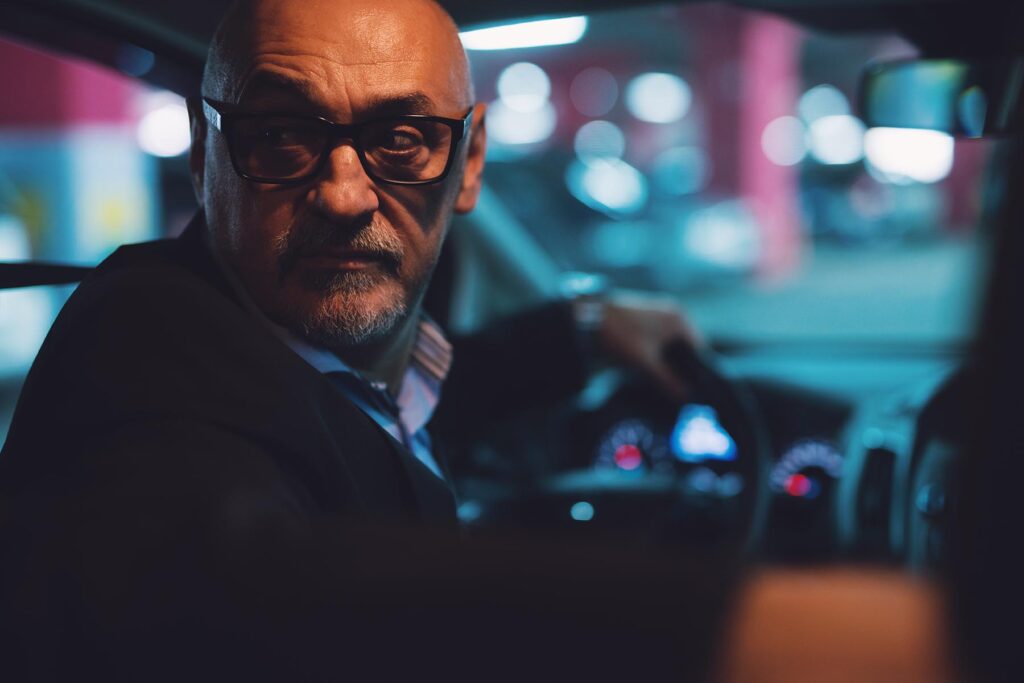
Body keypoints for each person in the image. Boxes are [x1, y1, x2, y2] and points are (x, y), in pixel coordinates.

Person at [0, 0, 716, 678]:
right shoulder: (139, 390)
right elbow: (228, 580)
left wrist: (583, 328)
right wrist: (732, 628)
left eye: (401, 139)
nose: (345, 195)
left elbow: (373, 423)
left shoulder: (313, 366)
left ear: (468, 165)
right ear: (201, 152)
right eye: (281, 135)